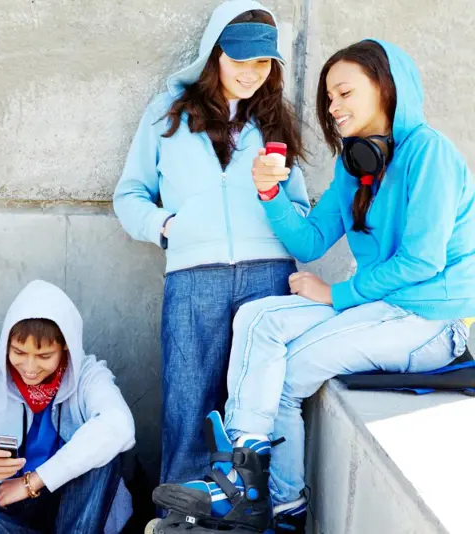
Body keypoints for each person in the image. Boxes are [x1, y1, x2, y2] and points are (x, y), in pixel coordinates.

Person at [152, 39, 474, 534]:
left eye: (345, 93)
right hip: (383, 307)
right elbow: (311, 237)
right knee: (255, 316)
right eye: (329, 98)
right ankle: (249, 486)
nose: (333, 107)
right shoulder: (355, 163)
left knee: (285, 371)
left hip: (429, 319)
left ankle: (271, 501)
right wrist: (270, 193)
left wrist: (336, 294)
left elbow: (422, 262)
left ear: (387, 89)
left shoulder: (429, 153)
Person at [112, 0, 309, 487]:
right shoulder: (167, 114)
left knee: (255, 410)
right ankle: (180, 514)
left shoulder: (274, 124)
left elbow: (302, 212)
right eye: (238, 60)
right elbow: (128, 194)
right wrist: (166, 226)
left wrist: (275, 199)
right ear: (214, 54)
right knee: (188, 404)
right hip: (194, 278)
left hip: (268, 274)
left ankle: (250, 512)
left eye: (262, 62)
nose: (250, 73)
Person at [0, 280, 135, 534]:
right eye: (18, 352)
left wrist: (35, 481)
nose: (29, 367)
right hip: (0, 506)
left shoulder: (88, 375)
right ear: (6, 343)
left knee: (104, 456)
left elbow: (119, 426)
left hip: (65, 503)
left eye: (44, 356)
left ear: (65, 346)